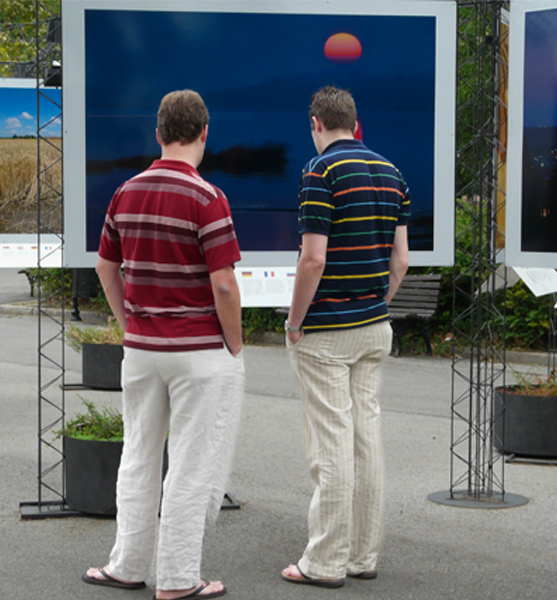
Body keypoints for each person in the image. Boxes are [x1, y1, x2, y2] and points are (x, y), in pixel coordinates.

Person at [84, 89, 244, 600]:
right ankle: (177, 579)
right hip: (197, 353)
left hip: (143, 349)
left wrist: (127, 318)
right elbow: (223, 284)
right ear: (204, 133)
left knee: (139, 455)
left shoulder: (124, 192)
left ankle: (127, 565)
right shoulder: (208, 198)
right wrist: (234, 344)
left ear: (158, 134)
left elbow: (106, 267)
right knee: (191, 466)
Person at [281, 86, 410, 588]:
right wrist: (379, 300)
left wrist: (295, 321)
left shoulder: (320, 172)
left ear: (316, 122)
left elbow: (312, 259)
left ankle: (325, 563)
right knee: (366, 442)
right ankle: (362, 555)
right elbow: (400, 260)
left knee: (330, 448)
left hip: (327, 333)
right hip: (374, 328)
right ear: (355, 124)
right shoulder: (392, 172)